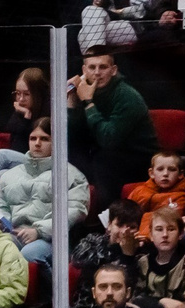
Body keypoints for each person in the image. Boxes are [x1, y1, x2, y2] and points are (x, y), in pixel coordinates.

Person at [65, 43, 156, 214]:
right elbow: (73, 137)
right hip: (103, 154)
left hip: (137, 158)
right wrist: (72, 103)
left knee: (103, 161)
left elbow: (109, 139)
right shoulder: (83, 91)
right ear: (84, 70)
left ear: (113, 70)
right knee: (66, 155)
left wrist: (88, 103)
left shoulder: (127, 96)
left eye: (103, 67)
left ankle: (107, 222)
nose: (97, 72)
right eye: (92, 67)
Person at [0, 118, 89, 267]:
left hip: (52, 240)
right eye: (33, 138)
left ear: (56, 142)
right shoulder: (9, 175)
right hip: (15, 234)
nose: (37, 143)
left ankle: (53, 291)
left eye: (44, 139)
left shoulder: (72, 175)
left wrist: (38, 231)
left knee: (30, 253)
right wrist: (3, 223)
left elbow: (75, 211)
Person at [123, 151, 185, 226]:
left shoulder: (181, 196)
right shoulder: (139, 191)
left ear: (180, 174)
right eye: (160, 169)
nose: (165, 173)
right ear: (151, 173)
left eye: (172, 169)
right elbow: (125, 214)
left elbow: (168, 220)